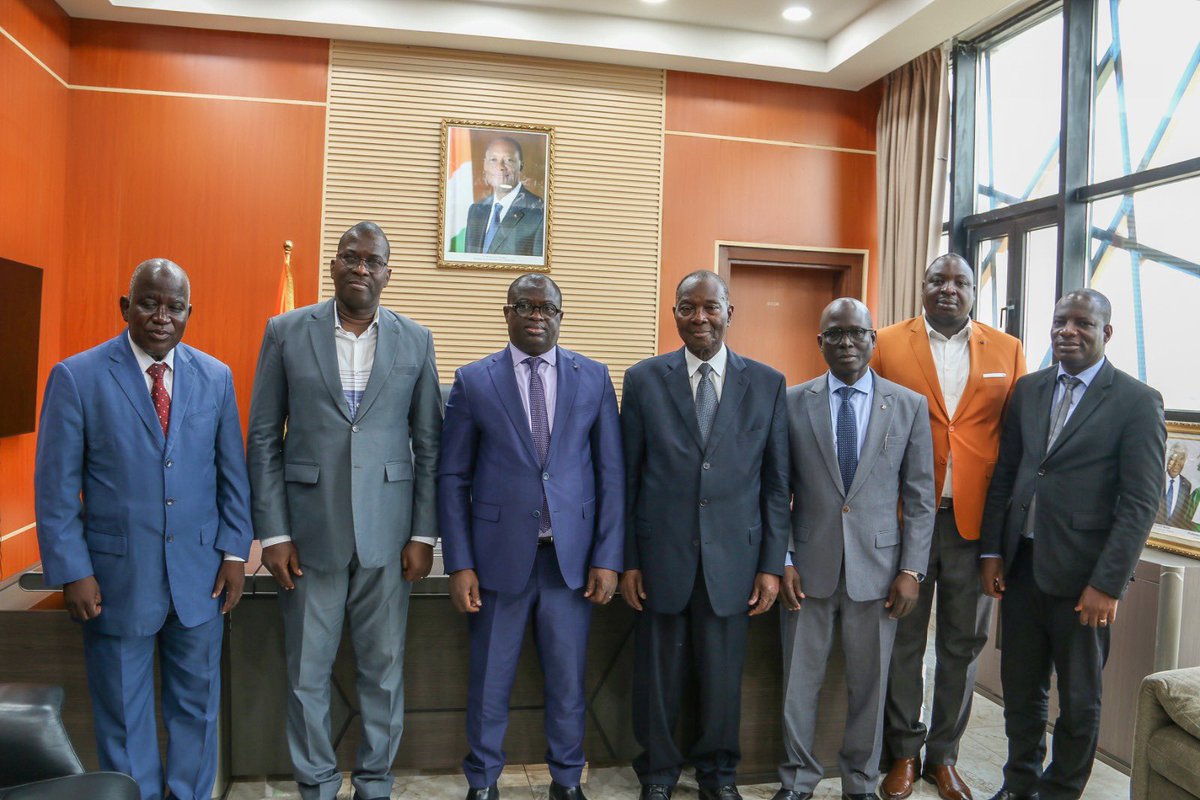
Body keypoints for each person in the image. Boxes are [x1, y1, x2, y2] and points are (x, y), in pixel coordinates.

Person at [34, 259, 253, 800]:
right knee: (124, 723)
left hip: (201, 580)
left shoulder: (216, 377)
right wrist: (73, 571)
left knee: (197, 713)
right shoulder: (76, 377)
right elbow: (55, 489)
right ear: (125, 306)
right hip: (114, 583)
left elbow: (233, 476)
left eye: (174, 306)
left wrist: (233, 553)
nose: (161, 316)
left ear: (188, 313)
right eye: (149, 303)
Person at [246, 221, 442, 800]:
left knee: (382, 671)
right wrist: (274, 532)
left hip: (390, 536)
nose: (361, 267)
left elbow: (429, 443)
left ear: (388, 272)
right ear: (333, 265)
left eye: (372, 260)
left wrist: (424, 533)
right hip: (307, 538)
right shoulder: (285, 331)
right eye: (349, 257)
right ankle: (317, 784)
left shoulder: (416, 339)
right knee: (307, 674)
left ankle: (376, 782)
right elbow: (262, 437)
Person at [438, 273, 624, 800]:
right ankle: (483, 782)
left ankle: (567, 782)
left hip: (570, 563)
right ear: (507, 313)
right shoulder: (473, 381)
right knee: (489, 683)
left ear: (562, 317)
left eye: (548, 308)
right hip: (497, 563)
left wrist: (608, 556)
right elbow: (453, 478)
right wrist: (460, 563)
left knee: (567, 684)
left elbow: (611, 474)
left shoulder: (593, 377)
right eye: (525, 306)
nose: (536, 316)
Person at [979, 289, 1165, 800]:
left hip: (1085, 578)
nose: (1068, 331)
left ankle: (1059, 791)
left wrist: (1107, 583)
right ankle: (1018, 785)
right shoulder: (1029, 390)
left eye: (1082, 323)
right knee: (1021, 690)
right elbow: (1009, 475)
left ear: (1106, 333)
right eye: (1061, 322)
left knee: (1080, 699)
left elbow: (1140, 502)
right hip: (1021, 567)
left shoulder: (1135, 400)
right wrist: (993, 551)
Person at [621, 270, 790, 800]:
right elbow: (627, 478)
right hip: (660, 556)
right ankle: (658, 774)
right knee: (658, 679)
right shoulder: (644, 379)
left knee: (722, 680)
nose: (700, 318)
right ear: (674, 314)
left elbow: (775, 485)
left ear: (729, 313)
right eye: (688, 308)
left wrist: (770, 564)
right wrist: (628, 559)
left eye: (711, 308)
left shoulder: (766, 383)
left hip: (734, 562)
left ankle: (719, 776)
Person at [873, 254, 1026, 800]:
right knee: (903, 641)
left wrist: (1005, 536)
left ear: (973, 291)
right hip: (902, 519)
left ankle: (945, 757)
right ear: (922, 287)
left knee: (963, 643)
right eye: (938, 279)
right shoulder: (886, 343)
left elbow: (1018, 444)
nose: (949, 289)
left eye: (960, 281)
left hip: (975, 527)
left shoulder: (1006, 350)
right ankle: (903, 754)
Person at [775, 298, 935, 800]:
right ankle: (797, 782)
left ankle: (860, 783)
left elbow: (922, 498)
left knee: (870, 685)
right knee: (799, 686)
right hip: (808, 568)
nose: (846, 343)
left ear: (873, 340)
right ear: (819, 342)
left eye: (856, 333)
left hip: (881, 572)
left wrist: (912, 568)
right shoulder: (792, 401)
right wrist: (782, 559)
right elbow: (777, 491)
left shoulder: (906, 405)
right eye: (835, 334)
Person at [465, 137, 545, 257]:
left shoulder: (539, 213)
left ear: (521, 166)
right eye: (493, 160)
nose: (500, 167)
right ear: (484, 165)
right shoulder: (476, 210)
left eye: (509, 160)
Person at [1157, 440, 1193, 528]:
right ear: (1167, 459)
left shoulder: (1187, 485)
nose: (1176, 465)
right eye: (1173, 459)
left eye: (1181, 459)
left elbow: (1181, 517)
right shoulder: (1157, 479)